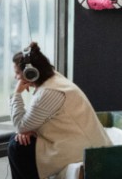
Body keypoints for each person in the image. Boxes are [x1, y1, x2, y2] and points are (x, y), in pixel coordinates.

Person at [7, 42, 112, 179]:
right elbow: (26, 125)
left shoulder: (50, 92)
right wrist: (25, 130)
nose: (16, 78)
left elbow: (20, 125)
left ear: (31, 73)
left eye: (17, 73)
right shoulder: (53, 80)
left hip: (82, 149)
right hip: (75, 142)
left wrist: (16, 94)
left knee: (18, 148)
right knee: (18, 142)